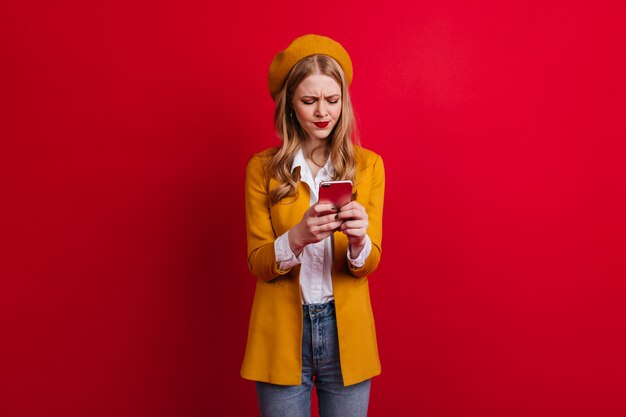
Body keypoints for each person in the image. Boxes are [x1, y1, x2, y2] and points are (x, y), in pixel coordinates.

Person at [241, 34, 385, 417]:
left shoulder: (368, 165)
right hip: (281, 335)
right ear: (290, 103)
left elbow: (369, 264)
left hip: (347, 334)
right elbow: (258, 263)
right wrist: (297, 238)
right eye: (309, 101)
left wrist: (358, 243)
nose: (323, 112)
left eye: (332, 100)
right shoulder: (262, 169)